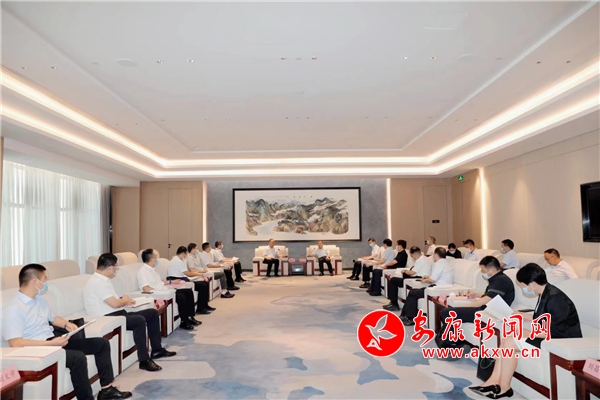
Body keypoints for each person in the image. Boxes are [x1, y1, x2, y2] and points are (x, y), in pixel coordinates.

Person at [2, 264, 132, 400]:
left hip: (53, 341)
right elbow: (15, 343)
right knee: (78, 358)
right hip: (39, 348)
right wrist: (51, 344)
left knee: (101, 344)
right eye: (44, 279)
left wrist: (67, 324)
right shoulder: (14, 308)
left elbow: (53, 318)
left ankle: (106, 390)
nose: (46, 283)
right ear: (35, 282)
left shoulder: (40, 300)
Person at [470, 263, 582, 399]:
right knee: (507, 340)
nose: (524, 289)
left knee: (510, 342)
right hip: (550, 336)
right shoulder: (545, 293)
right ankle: (494, 382)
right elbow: (544, 318)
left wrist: (527, 333)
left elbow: (556, 331)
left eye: (523, 285)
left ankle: (504, 387)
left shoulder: (556, 299)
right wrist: (523, 315)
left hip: (559, 342)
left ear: (532, 284)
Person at [83, 253, 176, 372]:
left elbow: (114, 300)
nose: (116, 270)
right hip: (109, 317)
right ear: (110, 268)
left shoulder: (103, 280)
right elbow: (115, 304)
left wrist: (125, 300)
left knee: (152, 313)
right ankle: (144, 360)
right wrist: (124, 300)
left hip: (118, 312)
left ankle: (157, 350)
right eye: (116, 267)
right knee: (139, 320)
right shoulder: (97, 282)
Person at [438, 256, 515, 340]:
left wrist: (463, 307)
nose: (482, 272)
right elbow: (490, 294)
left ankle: (452, 342)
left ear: (492, 270)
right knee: (449, 312)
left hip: (490, 313)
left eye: (483, 270)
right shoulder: (498, 278)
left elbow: (485, 300)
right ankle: (451, 339)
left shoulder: (500, 281)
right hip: (487, 309)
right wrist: (476, 294)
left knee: (448, 312)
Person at [137, 249, 200, 331]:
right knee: (181, 297)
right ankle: (184, 321)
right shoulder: (143, 271)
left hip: (165, 289)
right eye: (155, 258)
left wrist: (171, 282)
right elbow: (145, 288)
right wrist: (162, 291)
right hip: (161, 293)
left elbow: (159, 282)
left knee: (188, 291)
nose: (156, 260)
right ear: (151, 259)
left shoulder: (152, 269)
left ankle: (190, 317)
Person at [401, 247, 453, 326]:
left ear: (436, 255)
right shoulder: (445, 263)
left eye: (433, 255)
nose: (433, 257)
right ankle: (405, 314)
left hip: (437, 288)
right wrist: (427, 277)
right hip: (438, 286)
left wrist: (424, 280)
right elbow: (437, 276)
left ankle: (410, 317)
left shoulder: (439, 264)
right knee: (414, 292)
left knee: (412, 293)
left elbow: (432, 280)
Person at [167, 246, 215, 314]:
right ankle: (201, 308)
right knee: (202, 286)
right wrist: (199, 274)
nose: (185, 256)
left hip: (182, 278)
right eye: (185, 254)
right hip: (180, 280)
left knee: (204, 284)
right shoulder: (178, 261)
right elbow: (188, 273)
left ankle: (204, 306)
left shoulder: (176, 259)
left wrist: (198, 274)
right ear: (183, 253)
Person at [383, 245, 431, 311]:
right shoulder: (423, 258)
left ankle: (394, 304)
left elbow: (412, 272)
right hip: (417, 277)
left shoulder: (420, 260)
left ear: (414, 254)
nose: (412, 257)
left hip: (417, 279)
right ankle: (393, 302)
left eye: (412, 256)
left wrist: (405, 271)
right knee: (395, 279)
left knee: (393, 280)